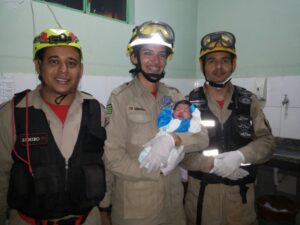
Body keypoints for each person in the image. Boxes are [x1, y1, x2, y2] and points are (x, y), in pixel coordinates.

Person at [0, 28, 111, 225]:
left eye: (71, 63)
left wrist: (105, 211)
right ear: (38, 65)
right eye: (54, 61)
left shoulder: (97, 111)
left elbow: (106, 166)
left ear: (81, 69)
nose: (63, 70)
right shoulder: (13, 113)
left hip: (87, 220)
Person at [103, 20, 209, 225]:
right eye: (148, 53)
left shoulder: (175, 96)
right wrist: (156, 170)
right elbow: (113, 158)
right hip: (136, 211)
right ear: (134, 57)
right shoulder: (120, 98)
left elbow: (202, 136)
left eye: (162, 54)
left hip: (173, 208)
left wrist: (174, 138)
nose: (156, 60)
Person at [182, 31, 274, 225]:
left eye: (225, 60)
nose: (218, 67)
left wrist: (240, 156)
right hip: (201, 202)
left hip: (240, 205)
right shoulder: (188, 104)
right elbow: (181, 153)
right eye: (211, 61)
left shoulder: (249, 101)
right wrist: (213, 165)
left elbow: (267, 143)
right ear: (203, 66)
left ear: (233, 64)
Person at [138, 100, 202, 176]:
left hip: (175, 145)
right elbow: (161, 122)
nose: (181, 112)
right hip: (160, 139)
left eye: (185, 110)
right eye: (178, 109)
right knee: (150, 150)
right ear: (173, 111)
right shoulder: (169, 119)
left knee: (174, 157)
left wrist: (194, 110)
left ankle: (164, 170)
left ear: (191, 114)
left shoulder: (189, 123)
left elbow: (197, 125)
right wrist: (169, 109)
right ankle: (146, 160)